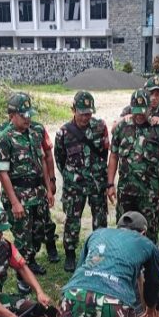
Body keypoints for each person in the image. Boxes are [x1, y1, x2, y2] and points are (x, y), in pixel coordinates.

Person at [0, 93, 60, 270]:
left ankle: (30, 260)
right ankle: (23, 273)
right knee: (23, 236)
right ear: (12, 116)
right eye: (23, 115)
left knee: (39, 231)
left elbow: (43, 160)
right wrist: (14, 202)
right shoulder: (3, 139)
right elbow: (3, 172)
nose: (28, 119)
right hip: (19, 195)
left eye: (30, 115)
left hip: (38, 192)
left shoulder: (35, 133)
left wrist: (48, 190)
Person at [54, 90, 110, 272]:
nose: (86, 117)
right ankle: (70, 252)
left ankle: (99, 251)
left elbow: (105, 152)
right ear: (73, 109)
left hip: (97, 182)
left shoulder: (100, 127)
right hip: (74, 186)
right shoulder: (63, 133)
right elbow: (59, 159)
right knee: (72, 219)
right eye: (82, 113)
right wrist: (72, 176)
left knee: (100, 218)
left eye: (89, 113)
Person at [108, 89, 159, 245]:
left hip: (150, 192)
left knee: (150, 232)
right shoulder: (122, 128)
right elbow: (114, 156)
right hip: (126, 191)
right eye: (136, 112)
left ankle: (149, 264)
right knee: (123, 228)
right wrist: (110, 184)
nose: (139, 116)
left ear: (150, 108)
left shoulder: (158, 129)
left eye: (143, 112)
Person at [119, 76, 159, 141]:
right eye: (150, 93)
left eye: (157, 94)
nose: (153, 97)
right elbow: (114, 130)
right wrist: (125, 119)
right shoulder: (131, 109)